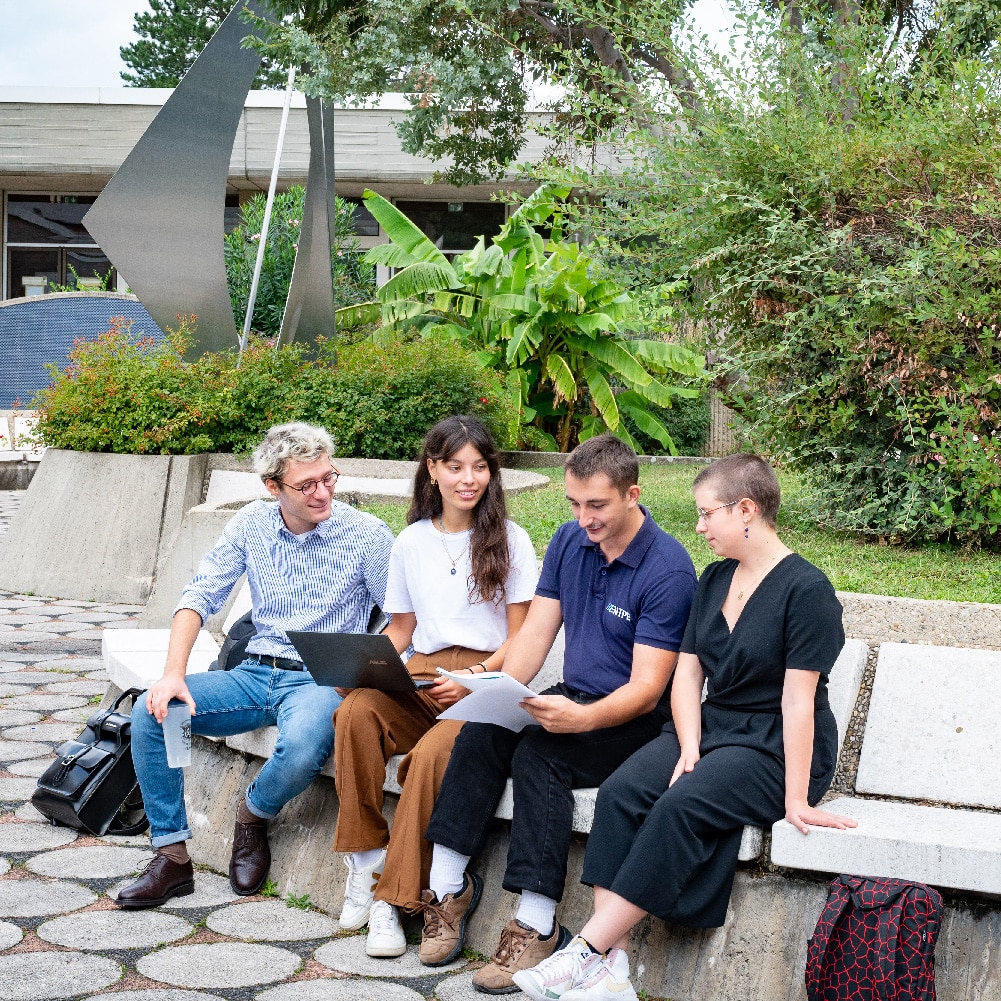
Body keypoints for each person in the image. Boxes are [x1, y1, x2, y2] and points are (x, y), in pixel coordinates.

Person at [512, 453, 859, 1001]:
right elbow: (687, 673)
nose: (697, 528)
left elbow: (798, 702)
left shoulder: (807, 591)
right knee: (624, 790)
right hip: (713, 730)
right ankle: (612, 971)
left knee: (681, 804)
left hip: (776, 747)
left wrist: (797, 798)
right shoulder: (717, 577)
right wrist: (689, 746)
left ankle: (582, 952)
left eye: (706, 514)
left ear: (746, 509)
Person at [417, 434, 698, 994]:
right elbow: (535, 637)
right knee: (484, 732)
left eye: (596, 505)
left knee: (542, 754)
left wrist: (582, 720)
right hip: (576, 696)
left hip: (633, 722)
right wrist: (492, 690)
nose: (582, 518)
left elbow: (647, 690)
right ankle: (447, 891)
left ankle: (536, 922)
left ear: (632, 495)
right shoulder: (570, 542)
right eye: (574, 503)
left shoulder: (668, 570)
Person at [116, 422, 394, 909]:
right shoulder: (251, 523)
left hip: (319, 678)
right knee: (154, 715)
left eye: (329, 478)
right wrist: (173, 675)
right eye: (306, 485)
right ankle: (172, 855)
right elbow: (199, 597)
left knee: (306, 742)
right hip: (252, 672)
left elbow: (400, 618)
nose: (322, 491)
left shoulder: (366, 534)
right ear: (273, 487)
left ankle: (251, 813)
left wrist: (362, 675)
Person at [332, 415, 538, 958]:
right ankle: (363, 863)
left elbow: (523, 638)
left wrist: (474, 680)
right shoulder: (411, 541)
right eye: (455, 467)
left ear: (492, 473)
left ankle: (391, 902)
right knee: (355, 710)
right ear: (433, 470)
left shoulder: (511, 540)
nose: (468, 479)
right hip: (421, 674)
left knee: (426, 759)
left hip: (485, 683)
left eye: (479, 467)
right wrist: (365, 664)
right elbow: (400, 630)